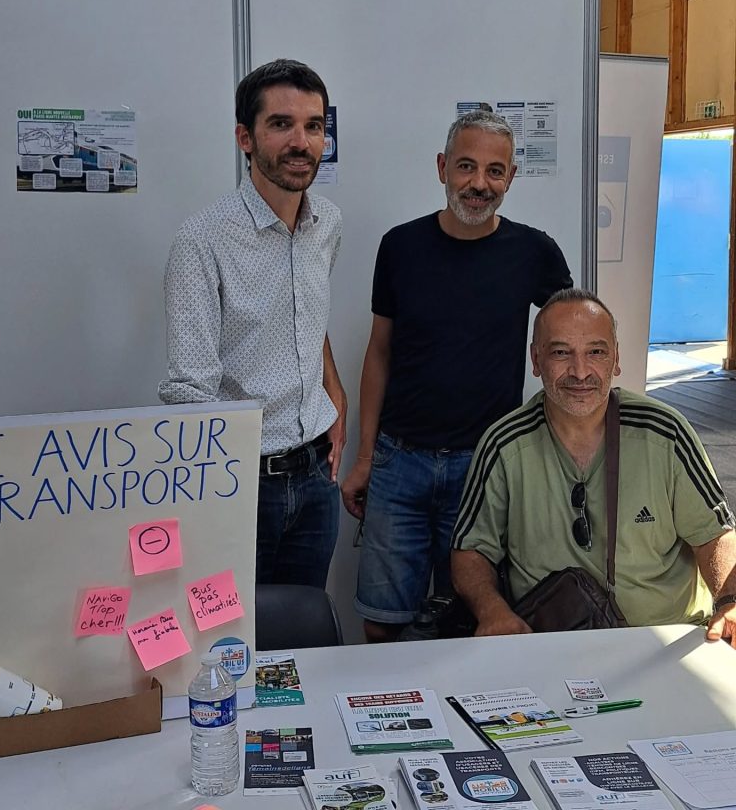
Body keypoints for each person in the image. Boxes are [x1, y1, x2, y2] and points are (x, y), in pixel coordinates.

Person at [342, 108, 572, 641]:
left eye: (495, 171)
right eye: (466, 166)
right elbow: (379, 353)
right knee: (381, 624)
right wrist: (365, 457)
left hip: (485, 467)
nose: (479, 183)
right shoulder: (400, 246)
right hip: (398, 464)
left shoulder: (533, 252)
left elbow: (573, 337)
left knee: (471, 623)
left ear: (511, 178)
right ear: (443, 167)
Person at [452, 288, 736, 646]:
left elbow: (715, 534)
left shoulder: (666, 433)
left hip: (665, 637)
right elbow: (470, 550)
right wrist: (492, 610)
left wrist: (729, 600)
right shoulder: (503, 443)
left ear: (615, 359)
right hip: (550, 642)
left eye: (596, 352)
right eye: (561, 353)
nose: (580, 371)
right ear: (536, 360)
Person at [159, 58, 346, 588]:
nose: (301, 142)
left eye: (314, 126)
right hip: (242, 483)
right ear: (245, 138)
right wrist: (214, 493)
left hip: (317, 476)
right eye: (281, 124)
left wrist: (335, 396)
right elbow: (189, 390)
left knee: (303, 622)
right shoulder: (202, 241)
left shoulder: (327, 223)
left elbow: (306, 316)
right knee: (232, 630)